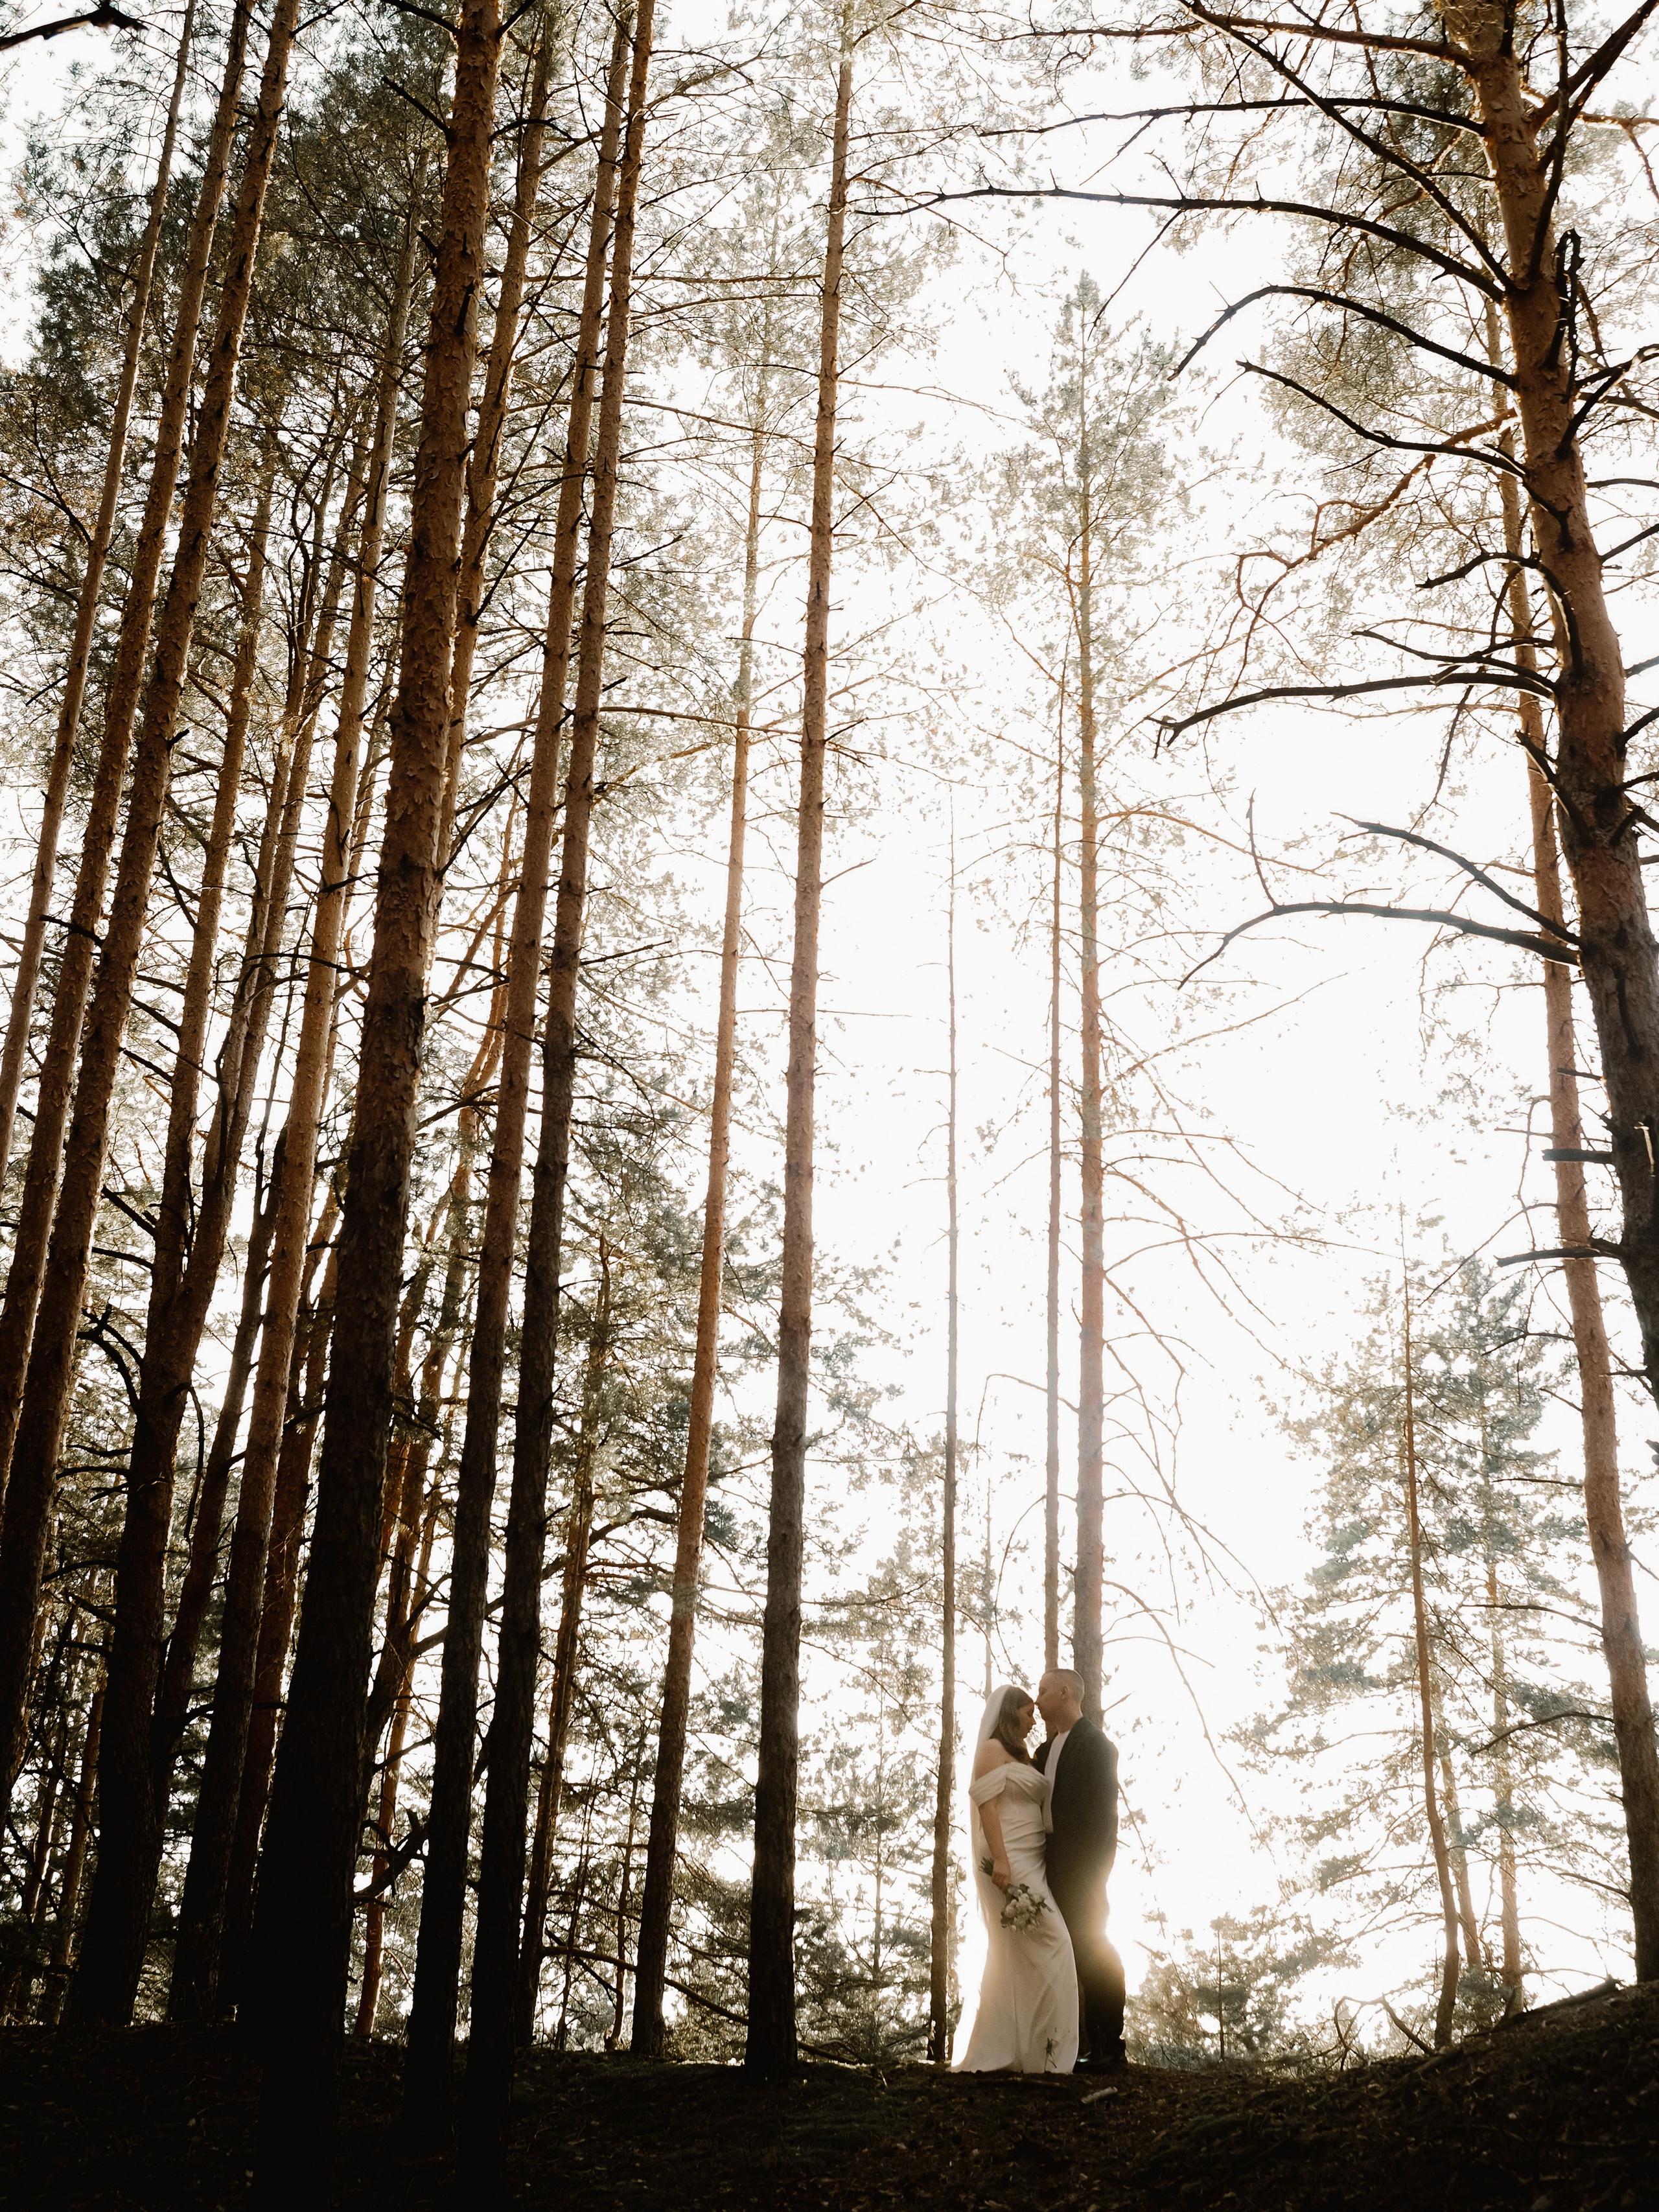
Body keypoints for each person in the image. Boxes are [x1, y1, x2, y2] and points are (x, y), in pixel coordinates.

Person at [954, 1683, 1079, 2073]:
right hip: (1007, 1858)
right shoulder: (991, 1749)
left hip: (1033, 1858)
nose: (1033, 1720)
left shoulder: (1024, 1756)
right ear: (1011, 1714)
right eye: (1028, 1713)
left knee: (1020, 1955)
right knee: (1054, 1941)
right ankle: (1047, 2053)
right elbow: (987, 1807)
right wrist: (1003, 1862)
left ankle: (1029, 2051)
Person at [1034, 1666, 1127, 2069]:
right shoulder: (1044, 1751)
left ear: (1066, 1692)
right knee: (1059, 1953)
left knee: (1094, 1951)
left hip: (1082, 1872)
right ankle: (1065, 2044)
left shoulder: (1097, 1747)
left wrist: (1093, 1876)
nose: (1036, 1700)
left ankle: (1111, 2046)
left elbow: (1105, 1820)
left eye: (1043, 1691)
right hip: (1045, 1864)